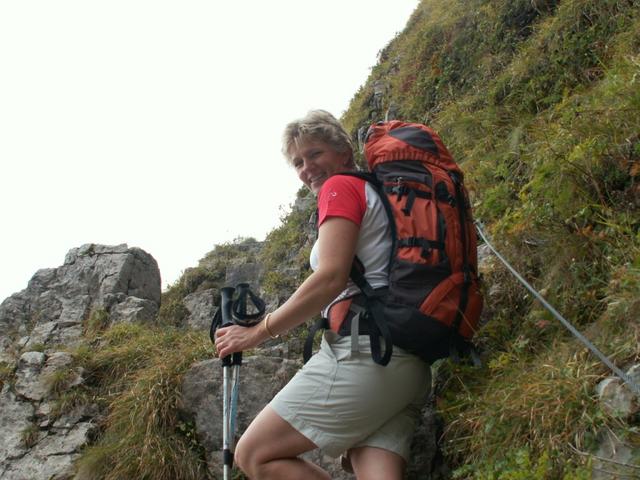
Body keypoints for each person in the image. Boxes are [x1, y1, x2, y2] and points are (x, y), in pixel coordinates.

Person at [214, 110, 431, 480]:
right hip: (408, 363)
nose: (306, 168)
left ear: (344, 151)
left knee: (254, 454)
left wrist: (256, 333)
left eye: (315, 154)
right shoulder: (378, 193)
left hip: (365, 355)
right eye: (298, 162)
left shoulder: (340, 187)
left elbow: (330, 277)